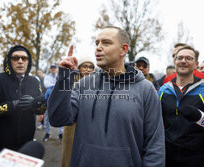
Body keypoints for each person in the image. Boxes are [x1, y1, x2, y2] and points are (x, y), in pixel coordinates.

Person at [48, 26, 165, 167]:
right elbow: (57, 119)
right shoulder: (84, 84)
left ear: (123, 49)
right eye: (97, 43)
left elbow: (155, 143)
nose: (98, 47)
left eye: (106, 43)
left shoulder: (145, 89)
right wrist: (64, 79)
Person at [0, 45, 46, 167]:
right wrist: (11, 106)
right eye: (15, 58)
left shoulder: (34, 81)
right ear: (8, 61)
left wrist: (35, 104)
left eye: (24, 58)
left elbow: (42, 110)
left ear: (28, 62)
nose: (20, 61)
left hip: (26, 148)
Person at [158, 45, 204, 167]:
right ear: (175, 61)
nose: (183, 61)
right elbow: (157, 125)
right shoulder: (163, 90)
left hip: (198, 157)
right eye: (180, 58)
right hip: (168, 156)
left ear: (196, 64)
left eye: (188, 58)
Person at [61, 57, 95, 167]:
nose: (88, 69)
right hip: (72, 127)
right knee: (69, 156)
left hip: (90, 126)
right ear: (79, 68)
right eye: (85, 66)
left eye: (91, 67)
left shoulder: (97, 85)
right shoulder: (71, 82)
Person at [42, 64, 63, 142]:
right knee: (47, 117)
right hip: (49, 100)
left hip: (59, 99)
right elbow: (46, 85)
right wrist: (56, 86)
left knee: (60, 116)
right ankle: (47, 133)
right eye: (52, 68)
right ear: (50, 69)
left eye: (54, 68)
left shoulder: (60, 76)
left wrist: (53, 87)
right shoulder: (47, 77)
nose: (53, 69)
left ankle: (61, 134)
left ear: (57, 69)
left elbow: (62, 85)